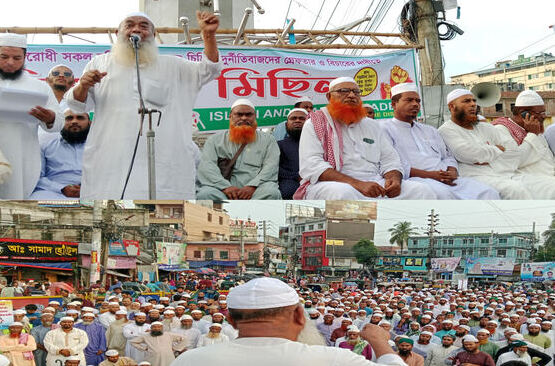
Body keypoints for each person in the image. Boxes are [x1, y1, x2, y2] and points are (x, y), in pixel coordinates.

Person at [66, 11, 221, 199]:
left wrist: (209, 35)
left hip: (163, 159)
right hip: (112, 159)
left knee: (164, 204)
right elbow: (77, 104)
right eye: (129, 25)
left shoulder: (173, 66)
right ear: (118, 33)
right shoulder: (99, 63)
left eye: (144, 26)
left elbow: (210, 69)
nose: (136, 29)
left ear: (154, 35)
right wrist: (83, 85)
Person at [170, 277, 407, 365]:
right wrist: (379, 340)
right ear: (298, 316)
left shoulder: (190, 361)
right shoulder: (333, 360)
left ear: (230, 319)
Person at [295, 77, 436, 200]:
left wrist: (394, 179)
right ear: (329, 97)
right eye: (344, 91)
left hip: (375, 182)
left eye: (356, 92)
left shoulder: (372, 125)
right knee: (343, 194)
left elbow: (390, 159)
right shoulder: (315, 123)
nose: (351, 95)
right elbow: (312, 165)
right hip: (334, 184)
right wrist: (357, 184)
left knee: (422, 191)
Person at [383, 83, 499, 199]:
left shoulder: (430, 130)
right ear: (394, 104)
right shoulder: (384, 130)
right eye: (409, 100)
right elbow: (393, 164)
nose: (415, 104)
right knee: (444, 196)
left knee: (488, 192)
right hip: (418, 180)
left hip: (447, 178)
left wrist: (452, 171)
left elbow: (448, 156)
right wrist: (432, 175)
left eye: (418, 101)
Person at [438, 88, 555, 199]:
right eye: (467, 101)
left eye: (474, 101)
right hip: (475, 174)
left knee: (542, 186)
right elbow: (469, 154)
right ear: (452, 107)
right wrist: (496, 150)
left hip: (503, 172)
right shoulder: (446, 130)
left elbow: (511, 152)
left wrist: (488, 154)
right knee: (515, 189)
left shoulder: (484, 127)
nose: (473, 104)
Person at [0, 33, 63, 199]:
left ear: (25, 58)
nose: (10, 62)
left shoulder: (39, 87)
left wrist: (49, 118)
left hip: (21, 156)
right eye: (4, 56)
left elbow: (59, 123)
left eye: (17, 58)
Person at [196, 99, 281, 200]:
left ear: (255, 117)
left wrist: (252, 186)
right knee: (205, 194)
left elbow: (271, 166)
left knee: (271, 193)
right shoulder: (214, 140)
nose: (244, 118)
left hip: (257, 189)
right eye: (239, 114)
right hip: (223, 190)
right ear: (230, 116)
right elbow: (207, 167)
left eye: (249, 115)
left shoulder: (268, 140)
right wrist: (225, 187)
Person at [491, 90, 555, 177]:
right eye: (540, 113)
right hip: (530, 181)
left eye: (544, 112)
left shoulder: (533, 128)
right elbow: (513, 161)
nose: (544, 116)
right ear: (523, 113)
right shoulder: (501, 129)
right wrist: (532, 135)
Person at [30, 109, 89, 199]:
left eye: (80, 118)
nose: (74, 121)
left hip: (92, 191)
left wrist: (88, 187)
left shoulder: (99, 148)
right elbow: (36, 177)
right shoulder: (45, 147)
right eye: (69, 118)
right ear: (60, 122)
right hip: (53, 192)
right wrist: (61, 188)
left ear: (90, 122)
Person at [40, 65, 77, 145]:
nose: (61, 75)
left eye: (67, 74)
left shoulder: (79, 104)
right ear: (47, 80)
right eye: (55, 73)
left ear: (73, 82)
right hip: (39, 149)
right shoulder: (38, 101)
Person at [277, 108, 308, 199]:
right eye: (293, 118)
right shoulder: (279, 145)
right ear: (286, 125)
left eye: (302, 118)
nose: (297, 120)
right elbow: (275, 167)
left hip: (315, 179)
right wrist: (296, 176)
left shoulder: (318, 143)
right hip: (290, 180)